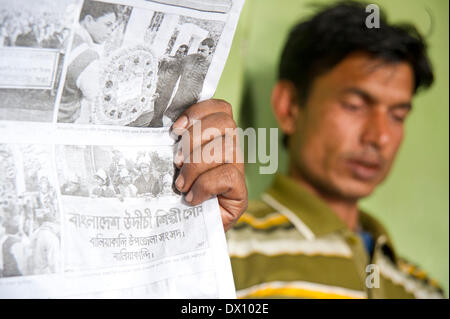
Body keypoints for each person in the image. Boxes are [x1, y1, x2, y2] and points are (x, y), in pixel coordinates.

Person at [225, 2, 445, 299]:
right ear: (289, 107)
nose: (379, 136)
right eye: (355, 106)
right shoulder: (226, 250)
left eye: (397, 115)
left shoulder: (422, 289)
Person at [57, 1, 117, 123]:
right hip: (62, 123)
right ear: (89, 20)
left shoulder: (64, 37)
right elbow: (98, 99)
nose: (111, 32)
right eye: (108, 25)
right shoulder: (88, 56)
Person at [163, 38, 215, 124]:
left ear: (210, 50)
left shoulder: (211, 66)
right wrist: (166, 59)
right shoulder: (191, 58)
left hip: (191, 103)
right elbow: (177, 62)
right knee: (166, 120)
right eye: (198, 50)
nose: (199, 52)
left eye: (203, 51)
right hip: (178, 99)